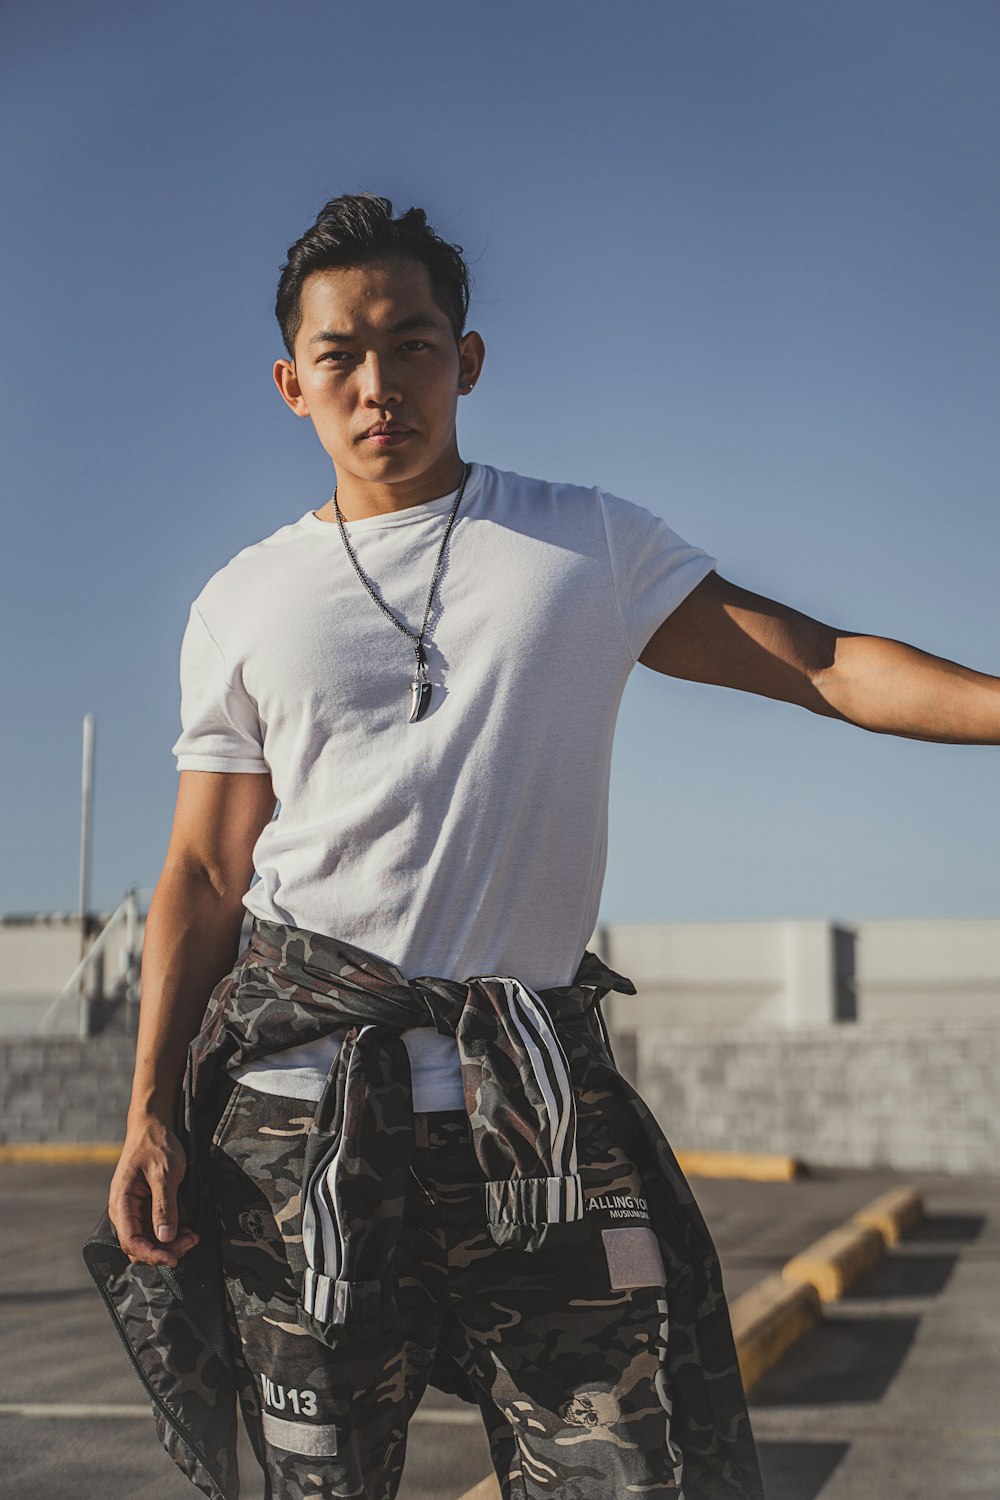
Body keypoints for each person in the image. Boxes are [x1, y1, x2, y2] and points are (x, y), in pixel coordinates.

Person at [98, 193, 1000, 1500]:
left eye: (412, 344)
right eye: (341, 355)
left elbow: (823, 663)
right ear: (293, 383)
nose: (377, 382)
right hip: (299, 1126)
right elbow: (205, 874)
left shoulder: (584, 548)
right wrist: (148, 1112)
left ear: (466, 362)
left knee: (629, 1472)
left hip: (537, 1118)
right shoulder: (241, 600)